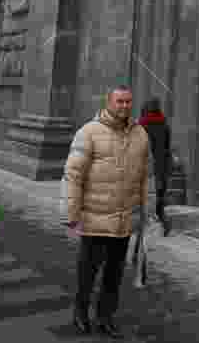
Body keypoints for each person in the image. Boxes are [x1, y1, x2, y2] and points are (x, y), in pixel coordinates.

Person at [64, 85, 150, 338]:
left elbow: (146, 176)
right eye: (120, 101)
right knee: (88, 271)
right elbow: (73, 174)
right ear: (108, 102)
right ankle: (80, 312)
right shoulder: (89, 132)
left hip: (124, 218)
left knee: (114, 274)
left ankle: (105, 317)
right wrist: (71, 212)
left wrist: (146, 210)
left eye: (128, 102)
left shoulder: (140, 134)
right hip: (95, 217)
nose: (124, 106)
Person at [138, 97, 172, 237]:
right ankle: (163, 222)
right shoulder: (164, 125)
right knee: (159, 196)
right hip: (162, 165)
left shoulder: (141, 126)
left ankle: (148, 225)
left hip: (147, 165)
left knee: (146, 196)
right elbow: (167, 147)